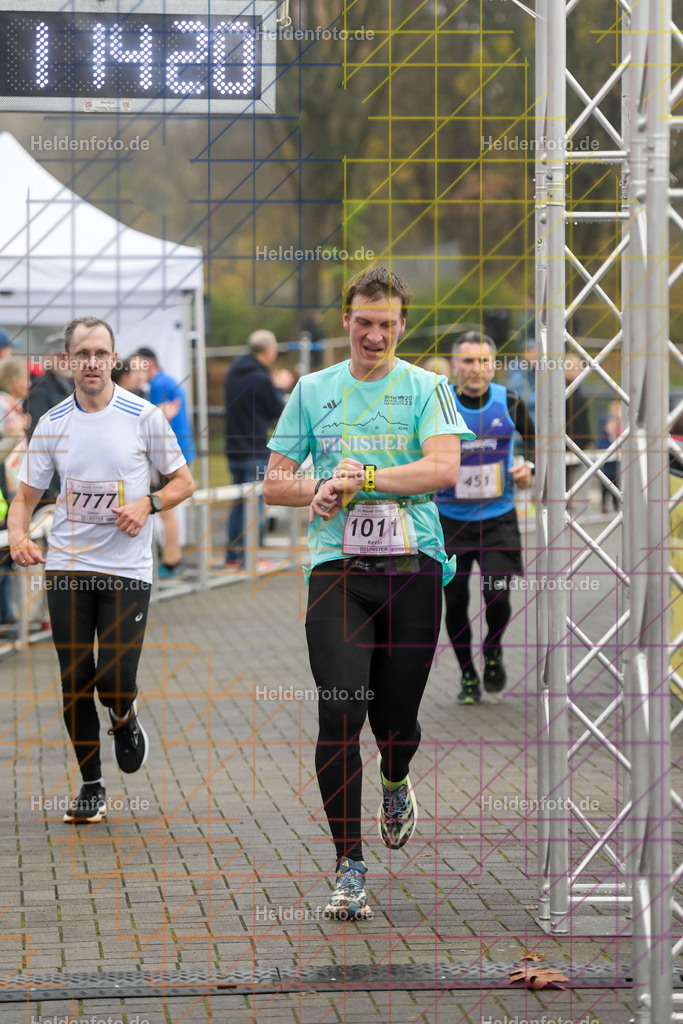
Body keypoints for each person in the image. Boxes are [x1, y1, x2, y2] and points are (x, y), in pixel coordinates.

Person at [263, 266, 474, 920]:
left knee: (395, 723)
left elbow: (444, 467)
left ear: (401, 325)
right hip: (338, 570)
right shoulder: (312, 389)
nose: (373, 334)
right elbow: (274, 483)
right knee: (340, 710)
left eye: (385, 323)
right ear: (346, 321)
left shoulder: (428, 387)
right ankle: (348, 863)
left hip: (412, 569)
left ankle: (394, 776)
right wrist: (320, 487)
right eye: (363, 322)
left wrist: (369, 478)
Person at [7, 316, 195, 824]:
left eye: (100, 353)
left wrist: (148, 504)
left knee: (113, 677)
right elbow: (23, 498)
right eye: (82, 354)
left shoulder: (143, 416)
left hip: (126, 567)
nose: (91, 362)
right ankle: (92, 784)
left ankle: (123, 713)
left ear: (113, 359)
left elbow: (184, 481)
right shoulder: (53, 424)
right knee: (74, 678)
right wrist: (19, 536)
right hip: (68, 564)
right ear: (68, 361)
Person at [435, 331, 535, 704]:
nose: (476, 368)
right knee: (456, 601)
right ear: (454, 366)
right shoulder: (440, 405)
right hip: (450, 520)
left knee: (496, 595)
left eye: (484, 361)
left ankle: (493, 649)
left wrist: (529, 467)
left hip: (498, 518)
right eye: (468, 361)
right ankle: (467, 674)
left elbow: (536, 441)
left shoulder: (508, 400)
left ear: (493, 366)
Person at [222, 330, 294, 571]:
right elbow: (277, 411)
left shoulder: (232, 373)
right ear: (269, 350)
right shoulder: (261, 378)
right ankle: (250, 557)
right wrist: (279, 387)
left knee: (238, 504)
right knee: (255, 506)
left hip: (233, 450)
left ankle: (233, 556)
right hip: (254, 450)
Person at [136, 346, 196, 580]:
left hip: (172, 455)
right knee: (166, 509)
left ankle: (172, 560)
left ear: (149, 363)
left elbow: (153, 420)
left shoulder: (159, 384)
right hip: (178, 452)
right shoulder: (166, 381)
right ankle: (172, 557)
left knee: (165, 508)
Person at [0, 358, 30, 629]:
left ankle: (9, 615)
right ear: (12, 380)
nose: (29, 383)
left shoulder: (13, 405)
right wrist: (15, 430)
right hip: (6, 488)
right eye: (25, 378)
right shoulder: (2, 404)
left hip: (13, 485)